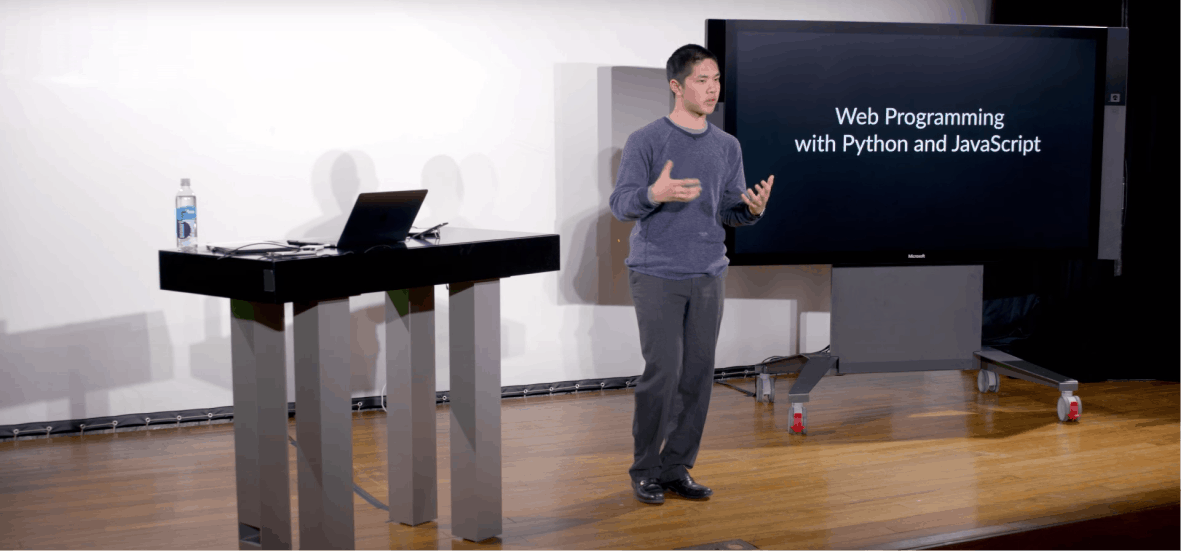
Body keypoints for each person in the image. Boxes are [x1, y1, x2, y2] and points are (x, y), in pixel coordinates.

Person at [609, 44, 775, 505]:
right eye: (702, 80)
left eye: (716, 79)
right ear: (676, 86)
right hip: (657, 273)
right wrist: (654, 194)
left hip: (708, 274)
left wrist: (752, 210)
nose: (712, 88)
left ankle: (676, 468)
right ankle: (645, 470)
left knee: (698, 377)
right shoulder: (645, 140)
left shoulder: (727, 146)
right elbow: (621, 204)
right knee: (662, 373)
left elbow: (728, 211)